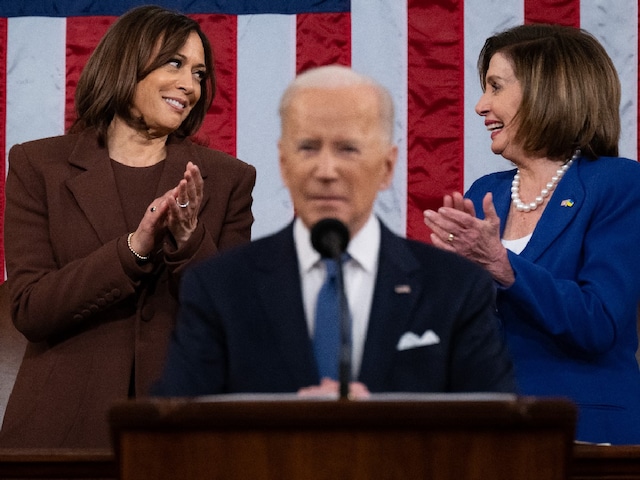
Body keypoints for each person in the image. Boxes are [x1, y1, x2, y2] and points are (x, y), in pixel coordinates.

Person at [152, 65, 516, 399]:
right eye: (308, 148)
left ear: (387, 167)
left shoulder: (454, 289)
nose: (326, 170)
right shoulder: (221, 287)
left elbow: (497, 436)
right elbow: (173, 434)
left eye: (348, 149)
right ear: (283, 163)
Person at [0, 5, 256, 448]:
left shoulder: (228, 178)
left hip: (184, 433)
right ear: (126, 62)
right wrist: (132, 250)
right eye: (174, 63)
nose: (189, 85)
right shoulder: (38, 165)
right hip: (63, 432)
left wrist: (190, 239)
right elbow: (30, 309)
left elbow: (233, 321)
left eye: (198, 73)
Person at [423, 24, 640, 445]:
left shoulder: (618, 184)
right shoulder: (486, 192)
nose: (480, 104)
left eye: (495, 87)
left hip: (584, 434)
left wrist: (503, 267)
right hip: (486, 431)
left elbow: (599, 321)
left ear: (547, 91)